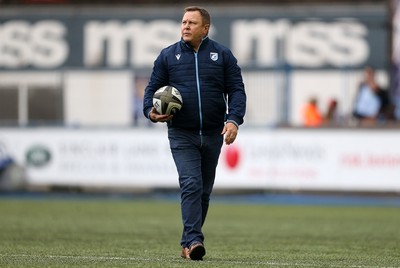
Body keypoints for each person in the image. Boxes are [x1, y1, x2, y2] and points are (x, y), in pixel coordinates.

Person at [142, 6, 246, 261]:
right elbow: (151, 90)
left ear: (205, 28)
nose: (185, 26)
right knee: (191, 183)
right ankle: (194, 241)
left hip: (213, 133)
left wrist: (233, 120)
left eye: (191, 22)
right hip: (181, 133)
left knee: (203, 191)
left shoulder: (222, 55)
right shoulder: (168, 56)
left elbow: (237, 90)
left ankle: (188, 242)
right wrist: (151, 112)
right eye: (183, 22)